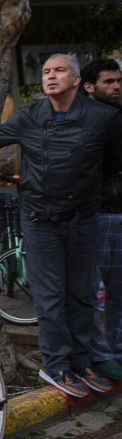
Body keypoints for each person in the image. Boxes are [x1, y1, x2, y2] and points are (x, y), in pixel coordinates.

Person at [0, 53, 122, 397]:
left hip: (83, 220)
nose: (51, 76)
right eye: (46, 72)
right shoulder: (30, 117)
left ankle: (82, 360)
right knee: (50, 297)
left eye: (59, 71)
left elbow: (114, 166)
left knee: (82, 296)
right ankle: (56, 365)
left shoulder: (104, 118)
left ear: (76, 80)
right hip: (40, 221)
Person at [80, 59, 122, 380]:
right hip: (95, 215)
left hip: (116, 212)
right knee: (92, 290)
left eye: (118, 81)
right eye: (109, 82)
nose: (116, 86)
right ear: (90, 86)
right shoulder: (84, 120)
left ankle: (116, 349)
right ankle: (99, 352)